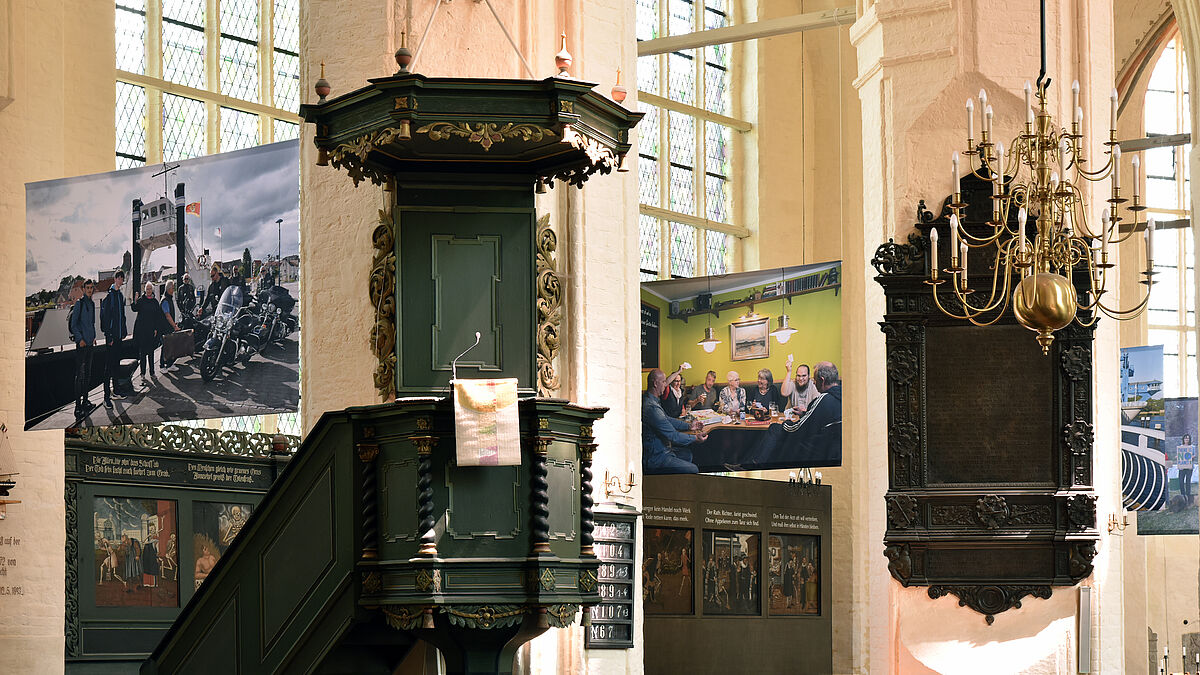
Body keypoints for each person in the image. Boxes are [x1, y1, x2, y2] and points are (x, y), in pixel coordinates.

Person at [747, 361, 843, 466]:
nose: (814, 383)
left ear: (822, 380)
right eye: (798, 375)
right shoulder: (842, 395)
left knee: (774, 428)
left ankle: (754, 465)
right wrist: (804, 413)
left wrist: (785, 423)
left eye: (814, 380)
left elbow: (797, 428)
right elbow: (818, 416)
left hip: (813, 447)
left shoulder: (823, 398)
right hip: (828, 447)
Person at [643, 368, 706, 474]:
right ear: (655, 384)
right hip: (657, 457)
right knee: (694, 469)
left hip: (664, 449)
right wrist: (695, 438)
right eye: (663, 382)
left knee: (688, 454)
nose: (665, 385)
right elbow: (673, 436)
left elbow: (667, 419)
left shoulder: (652, 400)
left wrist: (689, 426)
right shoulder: (651, 407)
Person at [68, 279, 97, 419]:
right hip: (82, 345)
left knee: (88, 374)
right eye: (88, 288)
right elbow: (74, 325)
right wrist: (80, 340)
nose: (90, 290)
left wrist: (93, 337)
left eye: (91, 288)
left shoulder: (91, 303)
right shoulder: (79, 304)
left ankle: (85, 401)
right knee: (79, 376)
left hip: (90, 344)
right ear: (83, 289)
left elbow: (91, 323)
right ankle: (77, 407)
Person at [100, 270, 129, 409]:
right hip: (111, 337)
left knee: (116, 364)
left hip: (118, 336)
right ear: (116, 279)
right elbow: (105, 319)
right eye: (120, 278)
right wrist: (109, 336)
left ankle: (116, 390)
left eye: (123, 278)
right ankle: (106, 397)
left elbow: (121, 316)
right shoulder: (109, 296)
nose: (122, 280)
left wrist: (124, 331)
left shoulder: (120, 296)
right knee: (108, 367)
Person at [132, 282, 168, 385]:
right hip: (142, 331)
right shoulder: (141, 300)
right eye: (147, 289)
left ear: (152, 290)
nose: (148, 291)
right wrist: (135, 300)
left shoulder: (155, 302)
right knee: (142, 354)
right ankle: (142, 374)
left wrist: (156, 328)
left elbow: (158, 317)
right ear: (145, 290)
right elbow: (134, 308)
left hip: (151, 331)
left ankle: (152, 372)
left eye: (150, 289)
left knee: (151, 353)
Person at [159, 280, 181, 372]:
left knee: (170, 345)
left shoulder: (169, 298)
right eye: (172, 288)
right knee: (165, 346)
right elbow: (167, 315)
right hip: (164, 327)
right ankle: (162, 366)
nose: (173, 289)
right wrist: (175, 326)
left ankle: (169, 364)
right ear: (168, 289)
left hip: (168, 327)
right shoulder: (165, 300)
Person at [1176, 433, 1196, 503]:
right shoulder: (1180, 447)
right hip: (1182, 467)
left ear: (1189, 439)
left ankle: (1188, 497)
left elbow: (1194, 456)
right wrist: (1177, 457)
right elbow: (1178, 456)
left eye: (1188, 438)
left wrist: (1191, 457)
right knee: (1181, 482)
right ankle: (1182, 496)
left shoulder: (1192, 447)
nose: (1186, 439)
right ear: (1183, 439)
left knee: (1188, 482)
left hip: (1189, 467)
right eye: (1185, 438)